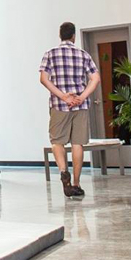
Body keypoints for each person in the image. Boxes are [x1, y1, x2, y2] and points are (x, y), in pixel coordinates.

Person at [39, 22, 100, 199]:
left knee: (57, 141)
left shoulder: (50, 54)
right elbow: (95, 79)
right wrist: (82, 96)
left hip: (59, 105)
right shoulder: (83, 54)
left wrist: (63, 96)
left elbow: (44, 79)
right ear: (74, 36)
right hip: (80, 105)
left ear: (60, 35)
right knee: (77, 143)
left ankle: (63, 171)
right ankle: (76, 183)